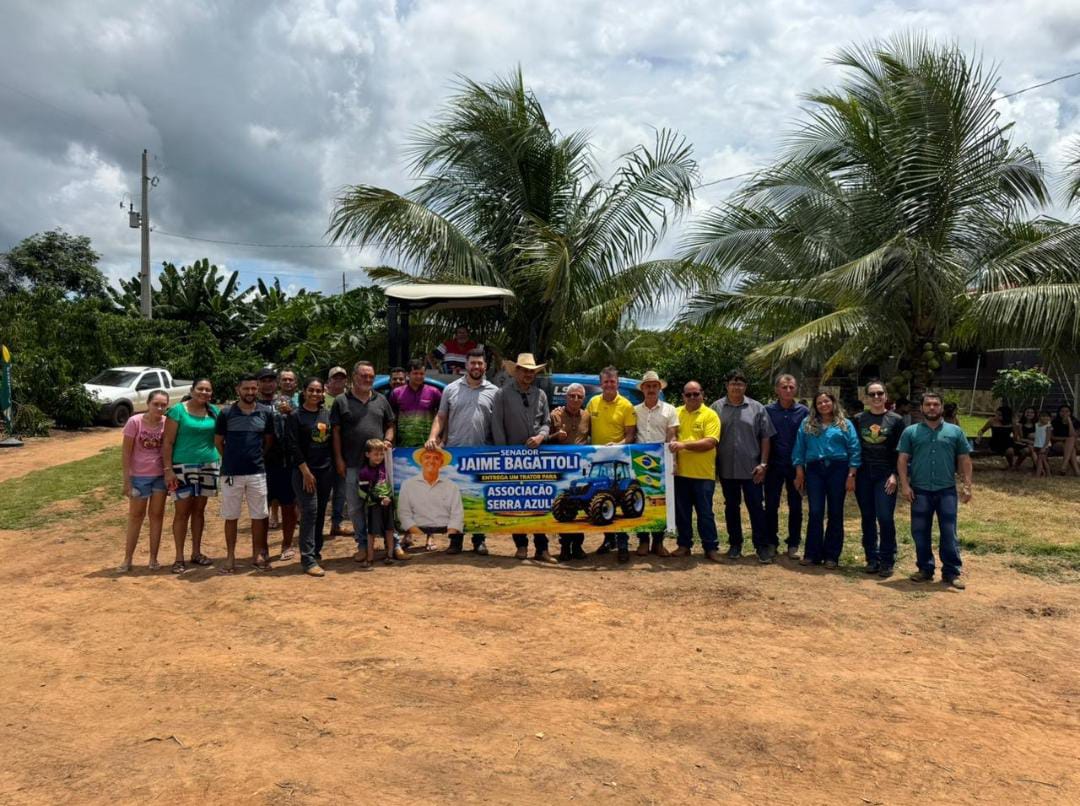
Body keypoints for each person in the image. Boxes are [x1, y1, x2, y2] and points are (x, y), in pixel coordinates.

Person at [898, 391, 973, 589]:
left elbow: (964, 459)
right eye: (928, 404)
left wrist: (967, 486)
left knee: (949, 532)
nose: (932, 408)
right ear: (922, 408)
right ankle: (925, 569)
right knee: (920, 532)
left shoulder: (955, 432)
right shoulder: (911, 432)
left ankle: (951, 572)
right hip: (920, 491)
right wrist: (905, 485)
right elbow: (902, 459)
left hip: (946, 490)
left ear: (941, 407)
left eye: (936, 404)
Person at [426, 348, 498, 554]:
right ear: (466, 365)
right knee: (454, 500)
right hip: (455, 454)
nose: (476, 367)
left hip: (483, 454)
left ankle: (479, 540)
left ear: (485, 366)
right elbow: (441, 416)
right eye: (473, 363)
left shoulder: (494, 391)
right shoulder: (450, 389)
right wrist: (433, 437)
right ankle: (455, 540)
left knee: (478, 498)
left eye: (480, 363)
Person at [331, 361, 400, 563]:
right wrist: (339, 459)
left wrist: (388, 439)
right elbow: (335, 432)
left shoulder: (381, 400)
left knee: (387, 504)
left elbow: (390, 424)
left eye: (370, 376)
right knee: (354, 507)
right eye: (363, 376)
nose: (367, 379)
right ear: (354, 377)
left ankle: (393, 544)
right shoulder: (341, 401)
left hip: (379, 466)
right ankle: (362, 544)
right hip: (352, 463)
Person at [492, 353, 554, 562]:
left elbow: (547, 422)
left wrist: (540, 437)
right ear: (516, 371)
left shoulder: (541, 395)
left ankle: (542, 548)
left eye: (531, 371)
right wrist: (504, 454)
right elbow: (497, 425)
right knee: (516, 503)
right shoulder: (502, 394)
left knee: (539, 501)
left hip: (537, 457)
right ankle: (521, 545)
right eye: (525, 370)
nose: (528, 374)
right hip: (512, 457)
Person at [710, 369, 776, 563]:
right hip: (726, 468)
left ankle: (761, 546)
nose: (736, 387)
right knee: (731, 507)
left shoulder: (757, 408)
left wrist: (763, 464)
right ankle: (735, 544)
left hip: (752, 468)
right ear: (727, 386)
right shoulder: (716, 408)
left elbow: (766, 437)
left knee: (756, 507)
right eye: (732, 383)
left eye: (740, 383)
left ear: (745, 387)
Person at [793, 391, 861, 569]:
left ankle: (832, 556)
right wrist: (800, 472)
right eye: (819, 403)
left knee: (835, 512)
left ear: (833, 403)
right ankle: (812, 554)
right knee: (815, 511)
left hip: (839, 469)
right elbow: (799, 449)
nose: (823, 405)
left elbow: (854, 449)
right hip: (815, 469)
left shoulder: (845, 424)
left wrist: (851, 475)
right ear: (815, 406)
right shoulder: (807, 424)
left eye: (827, 401)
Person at [215, 374, 275, 573]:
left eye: (253, 388)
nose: (250, 392)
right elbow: (218, 442)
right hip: (231, 473)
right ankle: (230, 556)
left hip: (257, 472)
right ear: (237, 390)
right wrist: (231, 458)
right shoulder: (225, 413)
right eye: (246, 389)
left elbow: (268, 442)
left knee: (259, 515)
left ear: (257, 389)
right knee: (230, 516)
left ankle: (257, 554)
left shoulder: (266, 413)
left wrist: (255, 458)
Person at [162, 378, 220, 574]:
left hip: (208, 465)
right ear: (192, 389)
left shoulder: (214, 411)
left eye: (208, 390)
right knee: (182, 512)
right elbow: (167, 442)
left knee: (199, 511)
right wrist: (168, 469)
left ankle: (196, 552)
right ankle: (179, 557)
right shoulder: (178, 411)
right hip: (182, 467)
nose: (204, 392)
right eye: (200, 389)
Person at [852, 380, 903, 577]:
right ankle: (872, 558)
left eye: (879, 393)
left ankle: (887, 560)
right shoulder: (858, 419)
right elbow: (853, 448)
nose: (876, 397)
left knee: (884, 517)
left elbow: (901, 451)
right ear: (865, 398)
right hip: (864, 475)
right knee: (867, 517)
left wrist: (894, 475)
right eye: (872, 394)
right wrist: (852, 474)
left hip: (885, 475)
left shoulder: (896, 420)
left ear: (886, 396)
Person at [586, 366, 637, 562]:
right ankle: (609, 540)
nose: (609, 385)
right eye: (606, 382)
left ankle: (623, 543)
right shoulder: (592, 403)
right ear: (601, 384)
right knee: (602, 498)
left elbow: (630, 435)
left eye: (612, 381)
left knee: (620, 498)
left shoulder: (626, 405)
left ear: (618, 383)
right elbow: (584, 427)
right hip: (599, 459)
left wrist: (617, 445)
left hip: (619, 458)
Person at [286, 377, 334, 577]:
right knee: (310, 511)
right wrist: (305, 471)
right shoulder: (295, 416)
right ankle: (307, 558)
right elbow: (292, 445)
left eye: (318, 391)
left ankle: (315, 550)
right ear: (304, 392)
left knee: (321, 511)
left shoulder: (326, 414)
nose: (315, 394)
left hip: (325, 470)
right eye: (311, 390)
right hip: (304, 472)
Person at [118, 389, 170, 572]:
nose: (159, 408)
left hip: (160, 477)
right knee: (136, 517)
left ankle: (153, 558)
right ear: (148, 404)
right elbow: (126, 452)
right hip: (139, 477)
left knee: (157, 516)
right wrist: (127, 480)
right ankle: (127, 559)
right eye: (156, 404)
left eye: (163, 405)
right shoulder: (135, 422)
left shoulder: (167, 423)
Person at [670, 381, 722, 561]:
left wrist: (683, 445)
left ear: (703, 394)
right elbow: (670, 436)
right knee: (682, 513)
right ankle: (684, 545)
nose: (692, 397)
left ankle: (711, 547)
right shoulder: (675, 413)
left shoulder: (710, 415)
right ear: (683, 396)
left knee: (705, 513)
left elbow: (710, 442)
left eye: (696, 394)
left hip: (703, 475)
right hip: (680, 474)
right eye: (688, 394)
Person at [633, 370, 678, 556]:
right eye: (648, 386)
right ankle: (643, 541)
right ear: (642, 389)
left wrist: (673, 461)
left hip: (661, 462)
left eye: (654, 386)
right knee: (640, 500)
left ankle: (658, 543)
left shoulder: (670, 409)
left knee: (660, 502)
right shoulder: (634, 410)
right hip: (638, 462)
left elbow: (672, 436)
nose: (651, 389)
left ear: (659, 388)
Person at [764, 374, 809, 560]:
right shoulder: (767, 411)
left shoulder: (804, 412)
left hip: (796, 466)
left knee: (796, 506)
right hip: (773, 465)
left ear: (796, 389)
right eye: (784, 387)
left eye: (791, 387)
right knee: (771, 505)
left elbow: (807, 439)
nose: (788, 390)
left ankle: (793, 544)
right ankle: (771, 542)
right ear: (777, 389)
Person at [548, 382, 590, 561]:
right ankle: (565, 546)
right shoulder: (555, 415)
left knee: (580, 506)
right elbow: (545, 440)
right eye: (572, 396)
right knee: (565, 507)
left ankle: (578, 546)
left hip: (580, 469)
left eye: (579, 396)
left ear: (583, 399)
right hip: (561, 469)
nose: (575, 399)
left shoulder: (588, 416)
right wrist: (555, 436)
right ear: (566, 397)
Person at [398, 446, 465, 549]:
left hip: (444, 527)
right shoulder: (407, 484)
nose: (431, 461)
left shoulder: (452, 486)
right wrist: (419, 534)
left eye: (436, 458)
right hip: (418, 527)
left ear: (441, 463)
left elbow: (457, 514)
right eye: (427, 457)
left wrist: (450, 534)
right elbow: (404, 514)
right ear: (421, 461)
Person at [265, 367, 299, 560]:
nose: (287, 382)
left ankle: (287, 545)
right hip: (269, 461)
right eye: (283, 379)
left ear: (295, 383)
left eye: (290, 380)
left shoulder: (301, 401)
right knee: (263, 507)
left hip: (292, 461)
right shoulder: (269, 404)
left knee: (290, 505)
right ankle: (262, 548)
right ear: (279, 383)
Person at [356, 438, 399, 567]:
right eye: (375, 454)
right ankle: (369, 558)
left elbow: (390, 453)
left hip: (388, 503)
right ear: (367, 454)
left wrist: (387, 447)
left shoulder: (385, 466)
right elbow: (363, 493)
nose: (379, 457)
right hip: (373, 505)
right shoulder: (364, 472)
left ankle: (390, 555)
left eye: (381, 454)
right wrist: (379, 499)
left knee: (390, 529)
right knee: (372, 532)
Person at [389, 359, 442, 448]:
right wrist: (391, 442)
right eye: (415, 373)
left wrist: (440, 438)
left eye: (421, 374)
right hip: (402, 447)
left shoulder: (434, 392)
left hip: (428, 446)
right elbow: (391, 421)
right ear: (408, 374)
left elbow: (442, 417)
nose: (419, 376)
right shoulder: (396, 393)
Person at [325, 366, 351, 538]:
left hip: (343, 451)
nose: (338, 381)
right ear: (328, 381)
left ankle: (337, 523)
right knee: (323, 490)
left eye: (342, 378)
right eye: (335, 378)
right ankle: (316, 525)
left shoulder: (349, 400)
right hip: (323, 452)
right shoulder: (320, 398)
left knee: (341, 491)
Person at [1050, 404, 1080, 476]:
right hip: (1057, 444)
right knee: (1071, 444)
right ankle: (1076, 471)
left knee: (1071, 446)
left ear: (1070, 412)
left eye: (1067, 411)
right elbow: (1052, 437)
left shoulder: (1075, 422)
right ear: (1059, 412)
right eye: (1062, 411)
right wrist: (1066, 439)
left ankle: (1065, 468)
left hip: (1072, 445)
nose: (1064, 413)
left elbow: (1073, 435)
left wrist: (1070, 422)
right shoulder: (1054, 422)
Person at [1014, 406, 1038, 472]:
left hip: (1036, 444)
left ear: (1035, 414)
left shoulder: (1037, 424)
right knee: (1027, 450)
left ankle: (1037, 466)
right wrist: (1029, 441)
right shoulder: (1019, 425)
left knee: (1032, 448)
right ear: (1024, 413)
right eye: (1027, 412)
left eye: (1032, 412)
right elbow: (1018, 438)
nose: (1029, 414)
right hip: (1022, 444)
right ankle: (1038, 467)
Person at [1032, 410, 1053, 478]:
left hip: (1045, 446)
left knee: (1041, 460)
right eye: (1043, 416)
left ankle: (1039, 475)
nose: (1045, 418)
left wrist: (1044, 447)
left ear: (1050, 418)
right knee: (1041, 460)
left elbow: (1047, 438)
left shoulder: (1048, 426)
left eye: (1047, 416)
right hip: (1037, 445)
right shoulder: (1036, 425)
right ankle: (1045, 473)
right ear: (1039, 417)